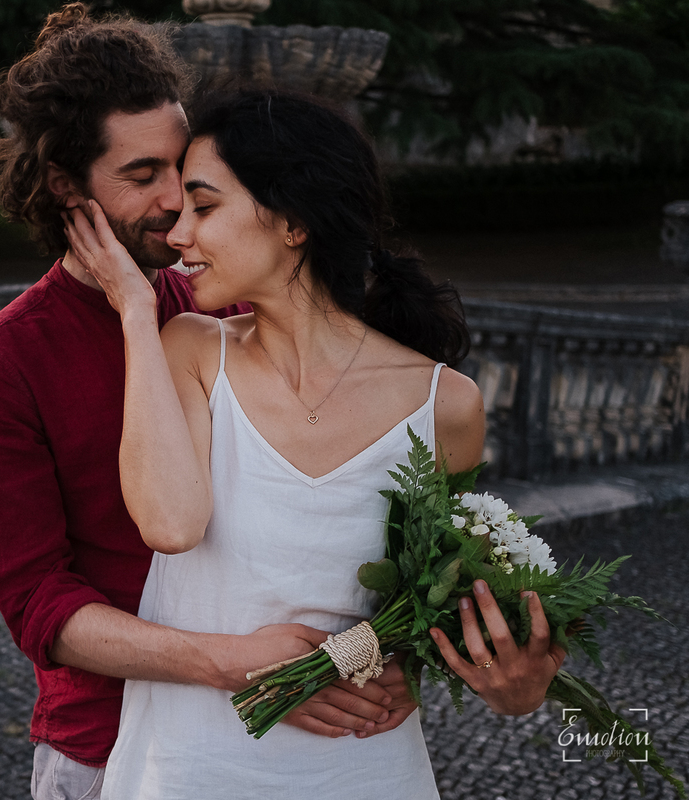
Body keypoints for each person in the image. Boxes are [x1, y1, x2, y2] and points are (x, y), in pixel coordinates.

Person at [0, 8, 417, 799]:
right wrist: (226, 662)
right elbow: (38, 602)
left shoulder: (231, 311)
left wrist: (384, 658)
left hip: (287, 724)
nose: (175, 202)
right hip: (106, 747)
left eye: (183, 168)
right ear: (66, 185)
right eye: (141, 177)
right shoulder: (7, 361)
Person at [62, 90, 568, 798]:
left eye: (204, 208)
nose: (178, 235)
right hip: (188, 767)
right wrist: (136, 315)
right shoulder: (189, 349)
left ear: (293, 222)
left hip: (361, 770)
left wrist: (509, 684)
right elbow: (170, 524)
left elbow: (427, 602)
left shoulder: (444, 404)